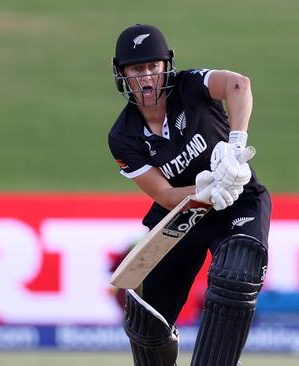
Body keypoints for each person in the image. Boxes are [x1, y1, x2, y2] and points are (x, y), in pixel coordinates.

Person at [108, 24, 271, 366]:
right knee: (146, 322)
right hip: (183, 214)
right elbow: (165, 194)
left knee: (236, 274)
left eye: (154, 66)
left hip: (238, 202)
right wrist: (208, 186)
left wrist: (235, 146)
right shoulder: (123, 136)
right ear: (122, 75)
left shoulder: (190, 85)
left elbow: (238, 84)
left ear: (167, 66)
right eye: (137, 69)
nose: (148, 76)